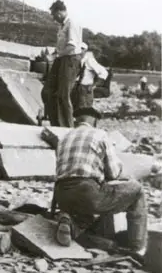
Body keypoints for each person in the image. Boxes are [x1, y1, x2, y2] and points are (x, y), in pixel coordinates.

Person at [53, 107, 147, 255]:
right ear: (95, 120)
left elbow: (61, 171)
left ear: (77, 120)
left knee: (89, 209)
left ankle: (70, 225)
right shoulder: (100, 135)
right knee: (137, 191)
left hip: (62, 194)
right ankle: (136, 246)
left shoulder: (64, 138)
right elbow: (114, 172)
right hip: (86, 190)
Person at [48, 0, 83, 127]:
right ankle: (56, 123)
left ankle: (67, 128)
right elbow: (62, 47)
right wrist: (53, 54)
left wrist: (57, 55)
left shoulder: (71, 23)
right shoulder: (62, 25)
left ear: (61, 11)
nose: (54, 18)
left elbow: (71, 46)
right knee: (48, 92)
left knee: (63, 95)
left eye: (55, 15)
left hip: (70, 59)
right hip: (62, 58)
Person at [71, 42, 109, 110]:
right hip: (77, 88)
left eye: (81, 50)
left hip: (86, 88)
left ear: (85, 50)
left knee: (85, 109)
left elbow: (103, 72)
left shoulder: (89, 60)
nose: (78, 52)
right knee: (77, 110)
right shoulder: (79, 60)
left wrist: (94, 85)